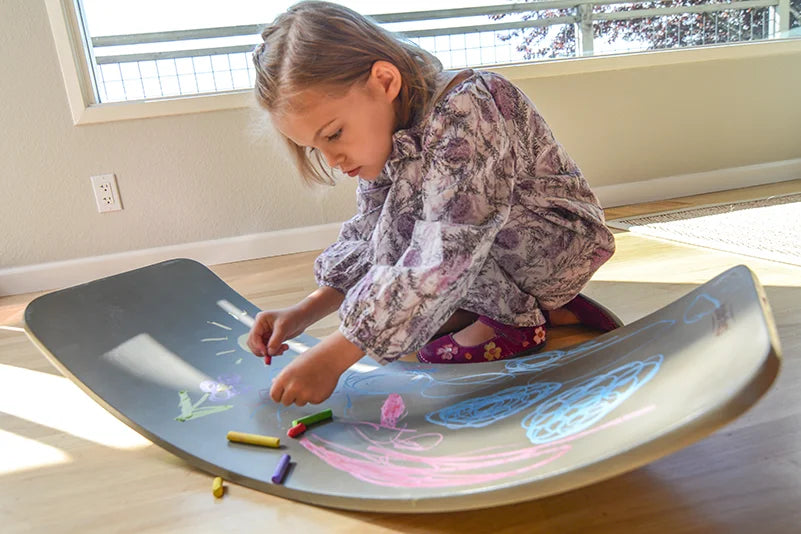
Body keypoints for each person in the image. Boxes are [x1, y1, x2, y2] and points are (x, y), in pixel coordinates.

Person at [246, 1, 616, 407]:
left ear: (384, 81)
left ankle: (516, 322)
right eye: (315, 148)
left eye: (334, 134)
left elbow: (449, 248)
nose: (332, 161)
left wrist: (336, 355)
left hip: (557, 243)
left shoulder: (467, 108)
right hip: (492, 252)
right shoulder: (390, 136)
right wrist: (304, 312)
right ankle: (512, 305)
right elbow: (372, 234)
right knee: (396, 225)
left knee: (425, 235)